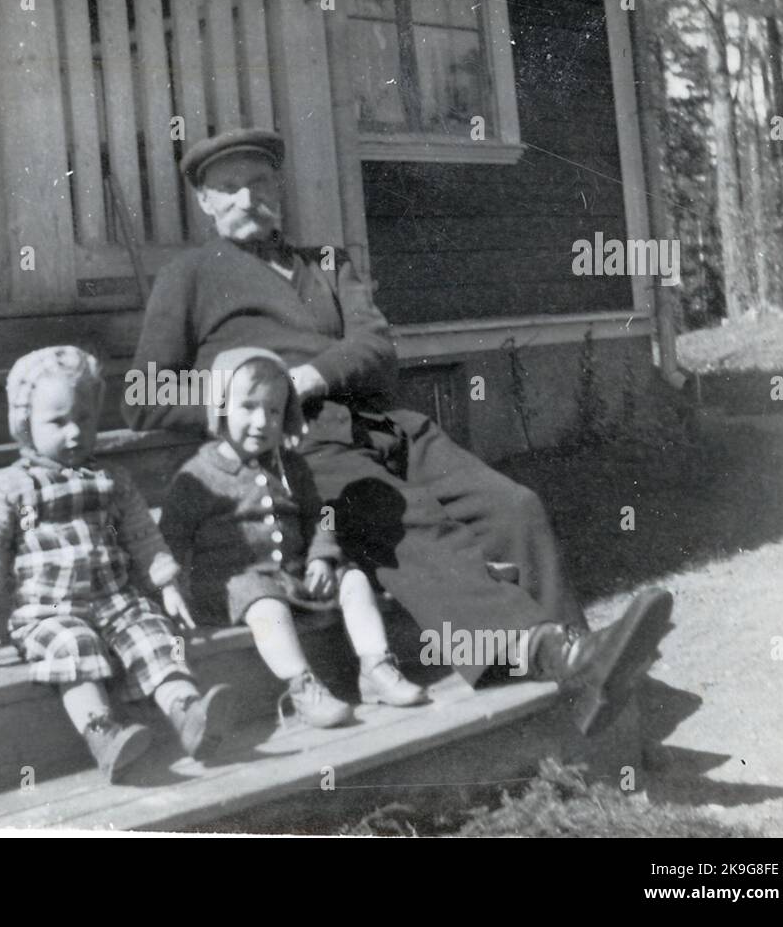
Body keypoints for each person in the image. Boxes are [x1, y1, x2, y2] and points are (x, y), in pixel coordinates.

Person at [123, 128, 673, 737]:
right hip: (301, 447)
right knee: (406, 520)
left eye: (258, 183)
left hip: (387, 426)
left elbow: (376, 345)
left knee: (513, 506)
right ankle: (546, 655)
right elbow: (144, 397)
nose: (246, 199)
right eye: (227, 188)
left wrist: (308, 373)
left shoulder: (327, 263)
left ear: (278, 188)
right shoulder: (190, 276)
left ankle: (585, 677)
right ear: (204, 202)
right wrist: (250, 399)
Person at [0, 345, 235, 781]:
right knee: (72, 646)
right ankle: (103, 733)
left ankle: (188, 712)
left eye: (84, 420)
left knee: (153, 635)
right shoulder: (8, 486)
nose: (74, 433)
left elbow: (144, 536)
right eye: (58, 422)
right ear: (24, 424)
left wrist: (166, 584)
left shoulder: (112, 481)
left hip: (115, 600)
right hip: (49, 610)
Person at [159, 347, 428, 729]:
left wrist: (322, 556)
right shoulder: (197, 477)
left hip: (292, 575)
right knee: (263, 600)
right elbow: (170, 538)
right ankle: (302, 687)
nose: (261, 422)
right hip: (233, 586)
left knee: (352, 579)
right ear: (219, 407)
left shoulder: (291, 466)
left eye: (273, 411)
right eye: (248, 407)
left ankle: (376, 668)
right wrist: (172, 587)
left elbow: (320, 515)